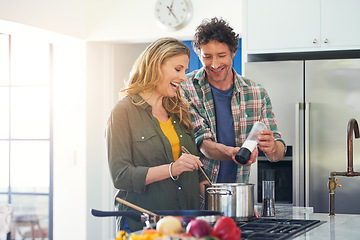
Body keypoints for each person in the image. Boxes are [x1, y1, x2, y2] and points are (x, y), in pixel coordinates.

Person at [106, 37, 208, 232]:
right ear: (155, 66)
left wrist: (230, 203)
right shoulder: (123, 111)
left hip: (185, 225)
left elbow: (195, 172)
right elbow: (121, 176)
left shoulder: (180, 110)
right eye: (177, 69)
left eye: (185, 71)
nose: (183, 78)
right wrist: (172, 169)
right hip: (144, 225)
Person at [181, 17, 286, 185]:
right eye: (207, 57)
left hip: (238, 195)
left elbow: (277, 153)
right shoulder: (186, 88)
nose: (214, 64)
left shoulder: (256, 93)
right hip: (197, 194)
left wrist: (273, 147)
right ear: (199, 55)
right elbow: (202, 143)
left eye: (221, 55)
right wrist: (233, 153)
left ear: (233, 52)